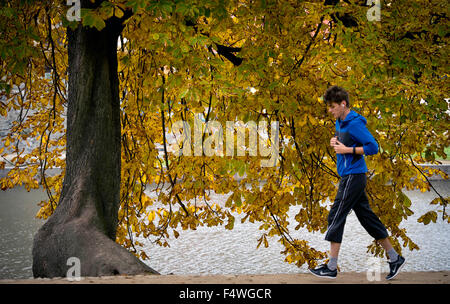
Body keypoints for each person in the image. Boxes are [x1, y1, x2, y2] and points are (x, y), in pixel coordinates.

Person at [308, 86, 406, 280]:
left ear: (343, 104)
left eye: (333, 106)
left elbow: (373, 147)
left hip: (354, 176)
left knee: (335, 215)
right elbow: (345, 142)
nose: (330, 110)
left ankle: (331, 267)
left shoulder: (354, 124)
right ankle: (394, 258)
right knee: (367, 218)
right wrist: (335, 142)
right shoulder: (340, 122)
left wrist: (347, 151)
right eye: (328, 107)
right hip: (349, 175)